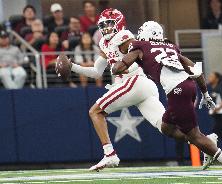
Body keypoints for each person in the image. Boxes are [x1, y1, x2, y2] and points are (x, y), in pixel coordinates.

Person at [112, 21, 222, 180]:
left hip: (177, 90)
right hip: (189, 85)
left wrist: (116, 63)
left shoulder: (140, 46)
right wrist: (205, 93)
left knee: (194, 136)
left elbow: (117, 69)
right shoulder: (171, 47)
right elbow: (194, 68)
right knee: (166, 127)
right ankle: (207, 142)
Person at [56, 8, 166, 171]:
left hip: (133, 81)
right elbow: (96, 72)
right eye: (103, 25)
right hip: (142, 85)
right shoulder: (105, 43)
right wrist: (73, 67)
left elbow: (141, 53)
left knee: (95, 112)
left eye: (109, 24)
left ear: (119, 23)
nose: (106, 28)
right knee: (166, 127)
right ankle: (206, 143)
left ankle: (110, 154)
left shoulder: (124, 36)